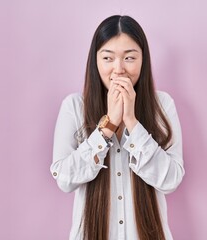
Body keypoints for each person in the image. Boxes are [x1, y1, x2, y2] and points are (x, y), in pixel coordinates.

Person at [50, 15, 185, 240]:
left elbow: (171, 179)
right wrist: (109, 124)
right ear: (95, 61)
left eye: (130, 57)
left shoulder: (163, 105)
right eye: (108, 58)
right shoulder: (74, 107)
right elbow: (64, 179)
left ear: (143, 60)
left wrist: (131, 120)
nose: (119, 69)